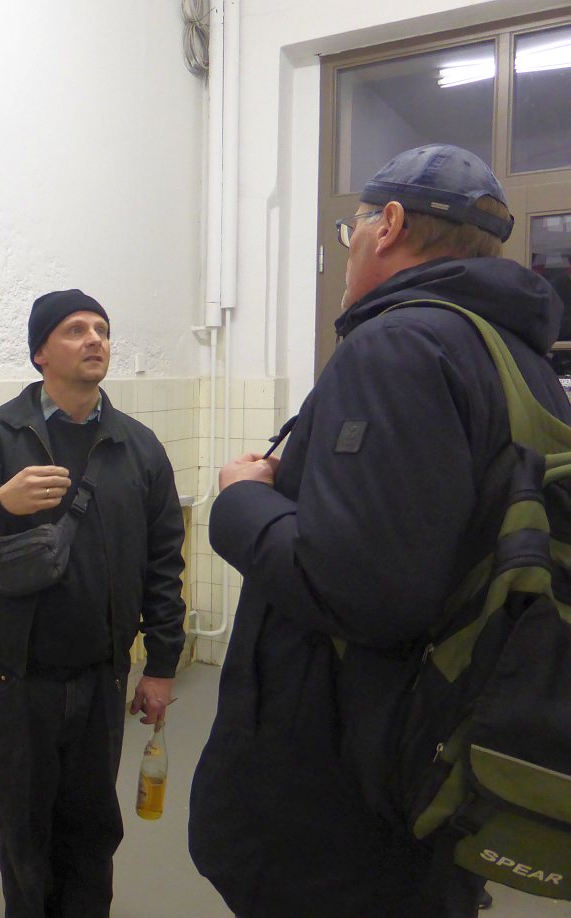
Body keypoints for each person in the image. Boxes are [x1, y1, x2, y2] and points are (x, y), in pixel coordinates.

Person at [189, 144, 571, 917]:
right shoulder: (516, 361)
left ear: (388, 223)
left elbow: (363, 590)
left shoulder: (397, 346)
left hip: (341, 793)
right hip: (438, 753)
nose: (350, 245)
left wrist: (241, 503)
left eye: (352, 227)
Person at [0, 289, 187, 918]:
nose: (95, 339)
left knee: (93, 833)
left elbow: (163, 564)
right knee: (24, 834)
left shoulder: (138, 447)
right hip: (17, 682)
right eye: (75, 329)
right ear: (40, 352)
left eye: (102, 328)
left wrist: (160, 665)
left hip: (102, 678)